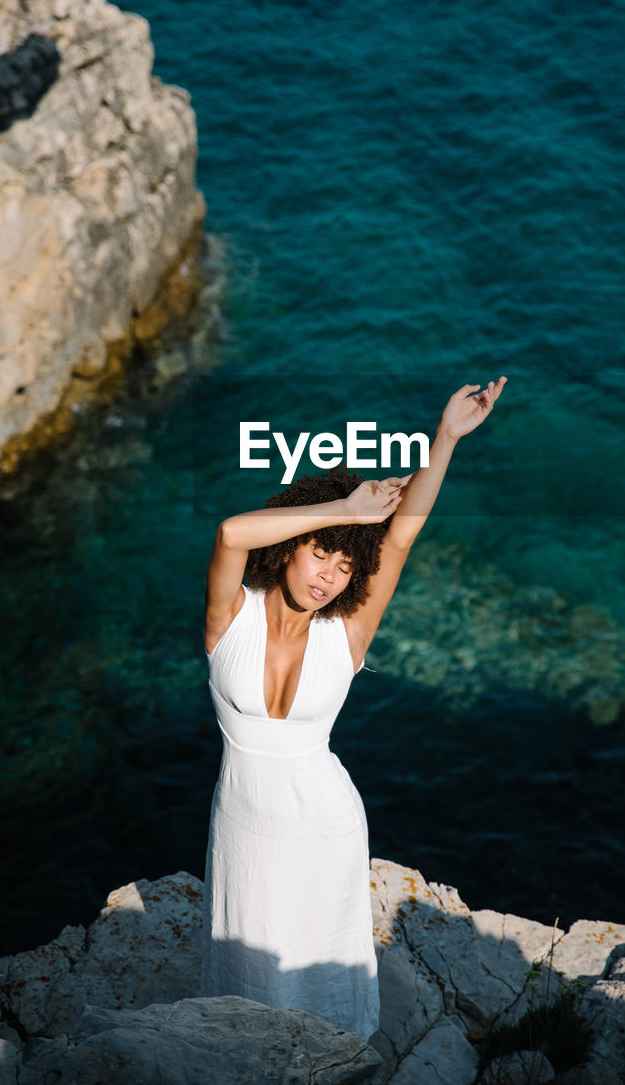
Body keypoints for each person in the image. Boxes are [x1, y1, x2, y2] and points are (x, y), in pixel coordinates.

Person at [200, 378, 507, 1040]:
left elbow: (396, 543)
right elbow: (232, 533)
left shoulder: (345, 634)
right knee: (245, 1005)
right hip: (244, 832)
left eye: (344, 565)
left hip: (324, 829)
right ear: (293, 542)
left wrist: (445, 438)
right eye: (320, 552)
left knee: (325, 1005)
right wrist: (345, 508)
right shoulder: (231, 618)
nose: (328, 576)